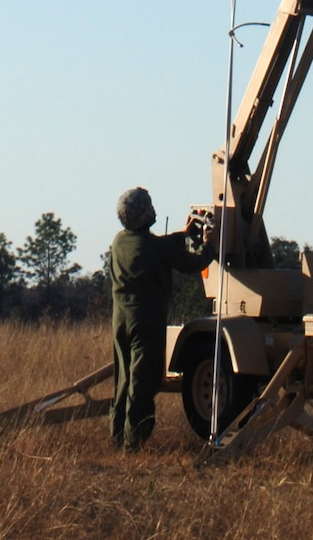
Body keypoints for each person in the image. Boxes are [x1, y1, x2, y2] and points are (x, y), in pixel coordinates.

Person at [107, 185, 212, 451]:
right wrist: (211, 245)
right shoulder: (154, 248)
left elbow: (156, 245)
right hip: (146, 321)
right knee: (143, 380)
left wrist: (183, 234)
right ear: (145, 212)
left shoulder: (119, 241)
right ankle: (134, 443)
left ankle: (117, 436)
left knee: (123, 379)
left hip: (120, 320)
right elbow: (192, 263)